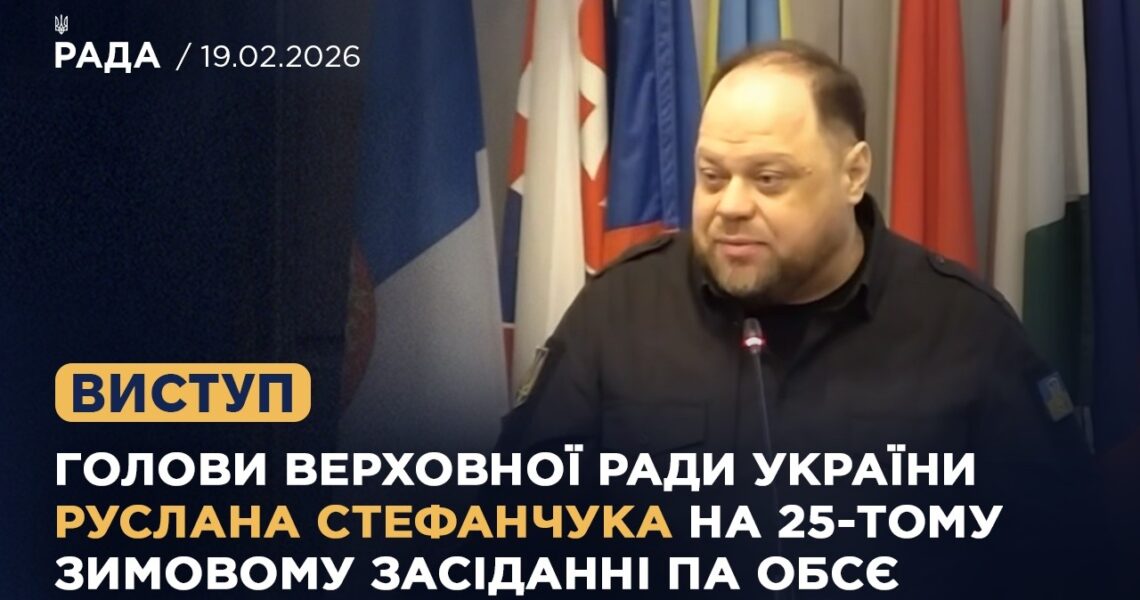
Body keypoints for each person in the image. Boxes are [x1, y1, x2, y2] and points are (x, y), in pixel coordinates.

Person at [495, 40, 1107, 597]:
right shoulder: (620, 311)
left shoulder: (965, 331)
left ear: (853, 173)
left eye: (768, 179)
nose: (731, 206)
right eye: (711, 177)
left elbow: (1066, 561)